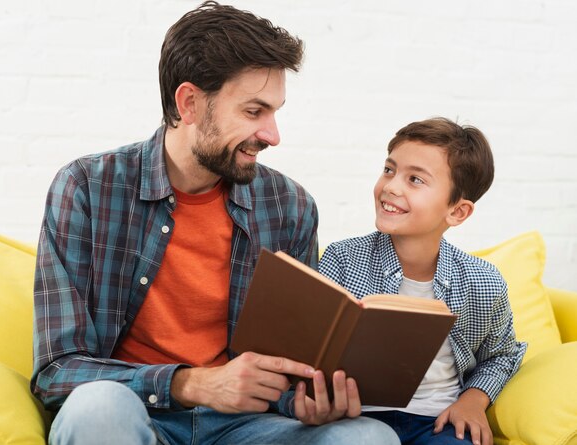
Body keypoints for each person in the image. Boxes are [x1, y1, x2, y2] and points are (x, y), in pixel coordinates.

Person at [31, 2, 400, 444]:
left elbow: (288, 371)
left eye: (275, 112)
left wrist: (309, 401)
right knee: (98, 408)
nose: (272, 134)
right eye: (253, 111)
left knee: (367, 438)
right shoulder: (89, 187)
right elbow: (57, 370)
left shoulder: (289, 206)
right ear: (189, 103)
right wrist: (191, 384)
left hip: (245, 428)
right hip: (136, 417)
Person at [318, 117, 527, 445]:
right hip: (357, 417)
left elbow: (503, 355)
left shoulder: (483, 282)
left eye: (415, 179)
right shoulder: (342, 258)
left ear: (457, 212)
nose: (391, 186)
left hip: (438, 420)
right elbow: (313, 348)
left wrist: (473, 400)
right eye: (389, 170)